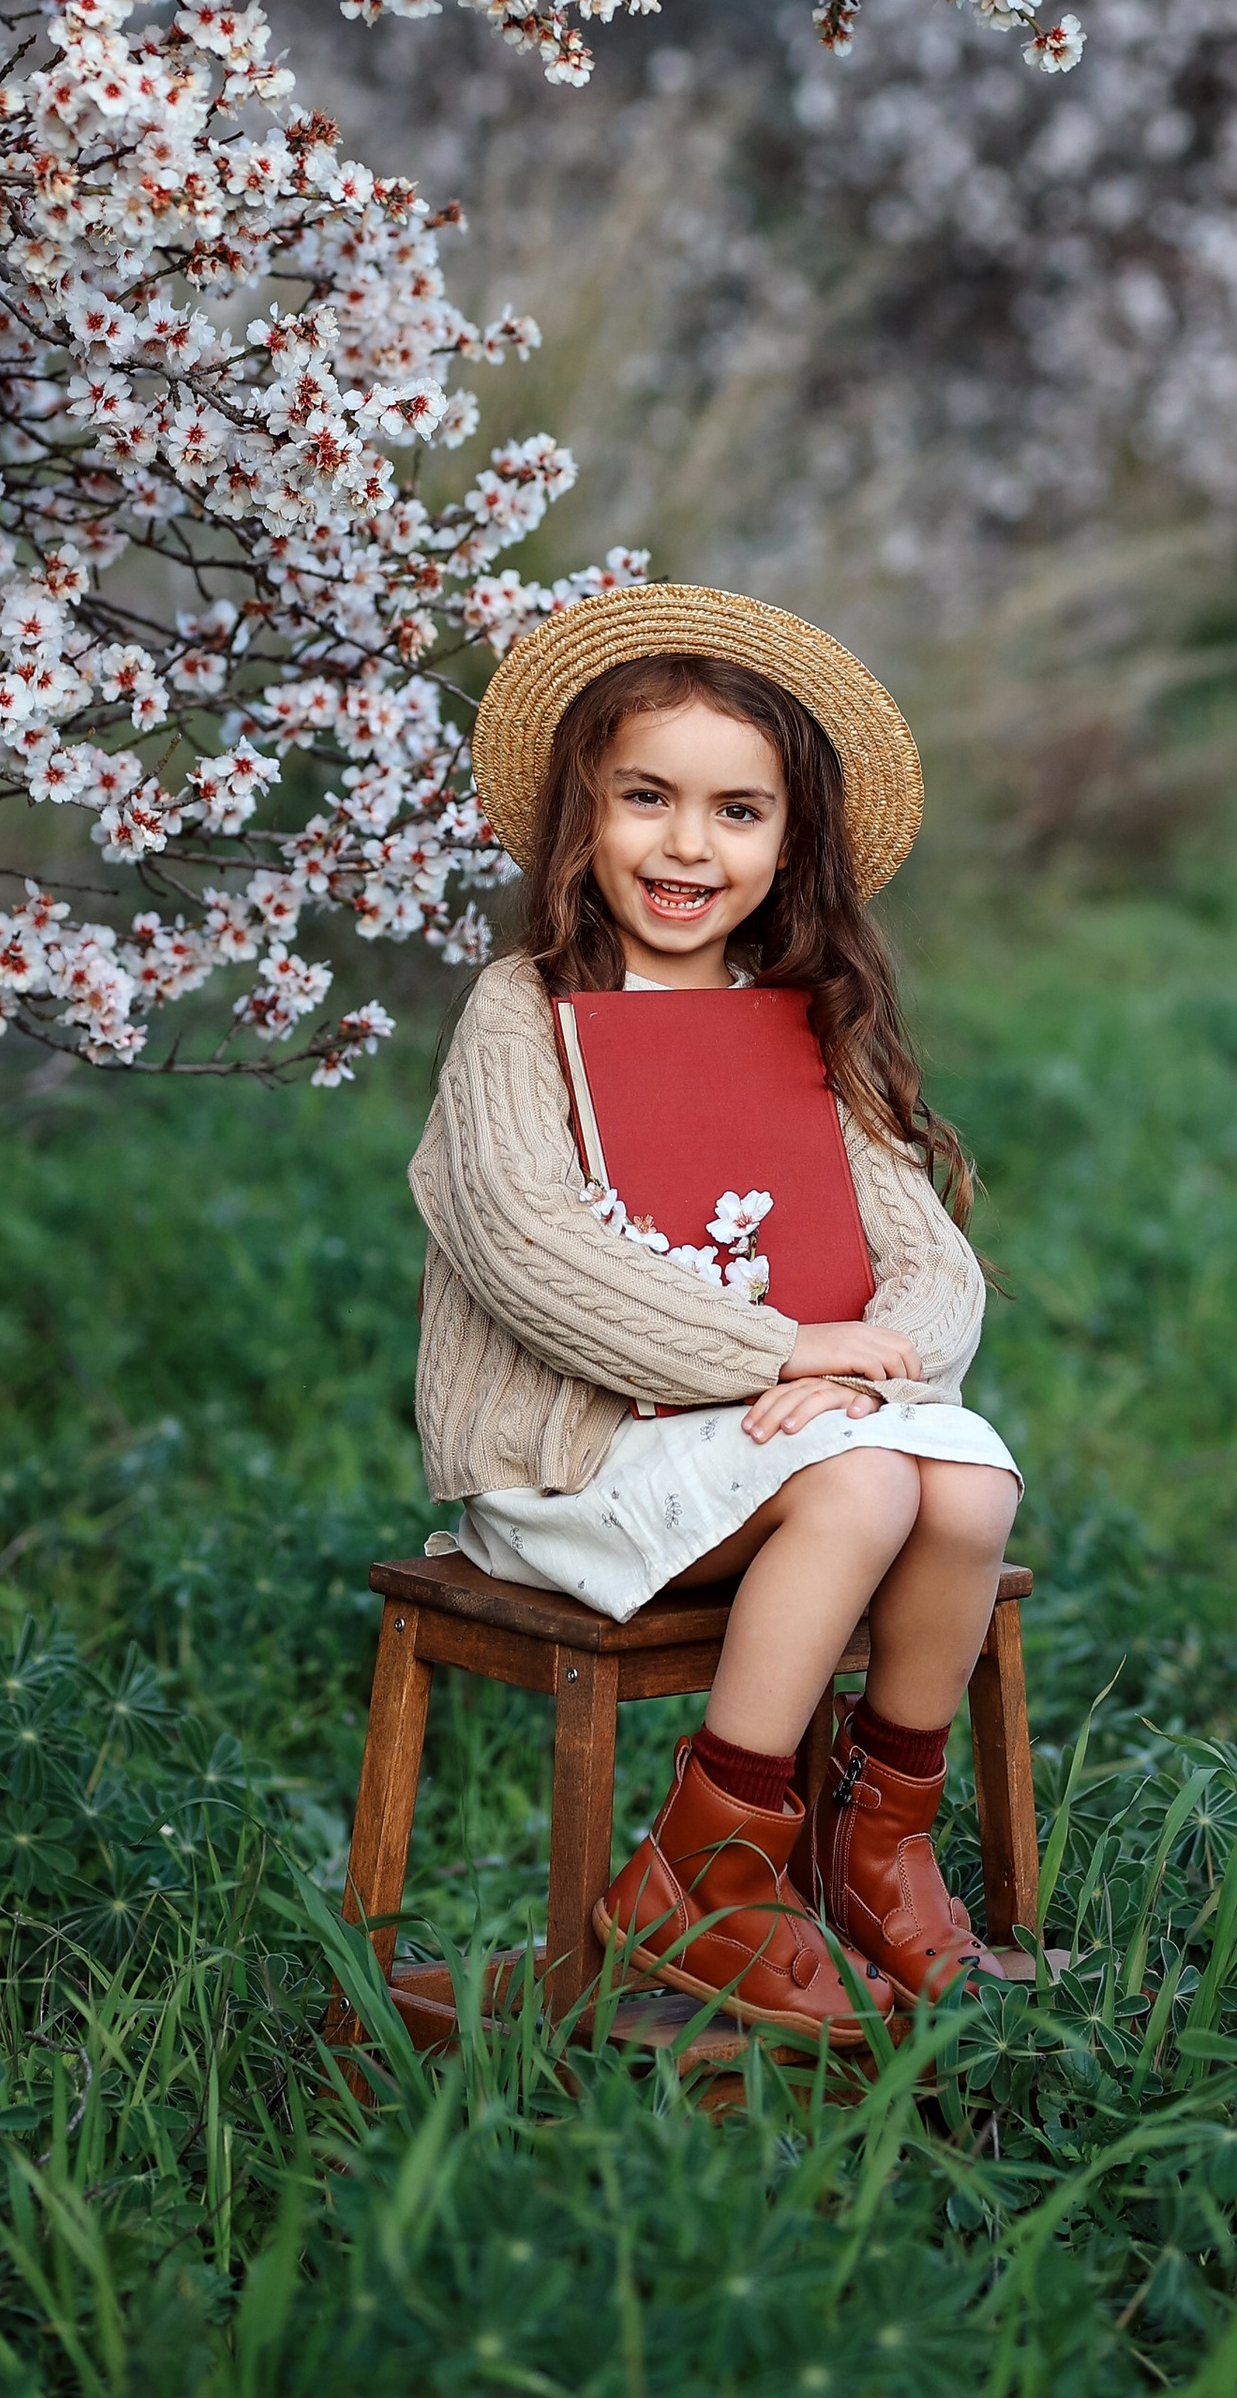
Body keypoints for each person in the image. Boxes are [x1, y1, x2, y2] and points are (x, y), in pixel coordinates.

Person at [409, 581, 1022, 2048]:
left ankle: (877, 1860)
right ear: (582, 814)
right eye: (647, 798)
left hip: (776, 1440)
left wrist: (874, 1372)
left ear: (789, 841)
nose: (689, 845)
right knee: (872, 1480)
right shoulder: (523, 1012)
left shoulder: (793, 1021)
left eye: (737, 812)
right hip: (570, 1462)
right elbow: (527, 1246)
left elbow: (933, 1266)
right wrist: (781, 1353)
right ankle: (715, 1872)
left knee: (969, 1473)